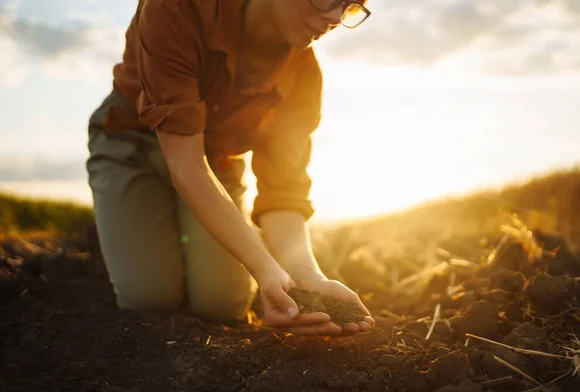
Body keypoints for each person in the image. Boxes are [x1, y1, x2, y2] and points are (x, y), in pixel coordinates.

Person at [86, 0, 375, 337]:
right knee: (150, 296)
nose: (335, 18)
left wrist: (304, 277)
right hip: (132, 144)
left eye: (351, 6)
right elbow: (187, 166)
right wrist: (263, 265)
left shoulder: (304, 76)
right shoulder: (178, 8)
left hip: (215, 161)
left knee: (221, 304)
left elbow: (282, 194)